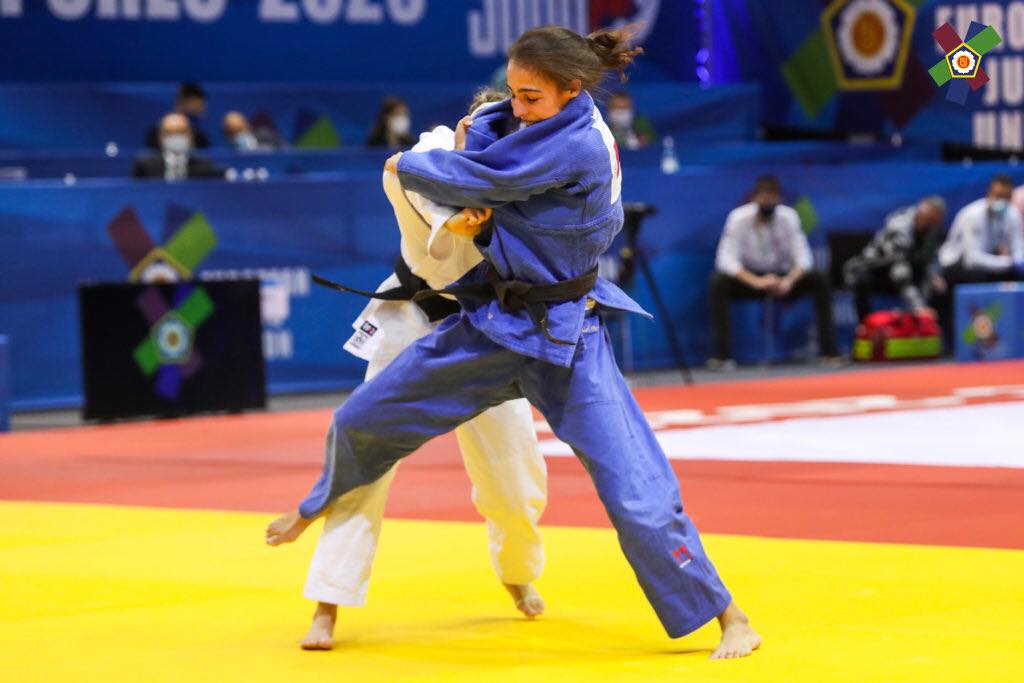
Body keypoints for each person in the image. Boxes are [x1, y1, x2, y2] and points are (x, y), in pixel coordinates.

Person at [267, 25, 760, 660]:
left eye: (531, 98)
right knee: (362, 417)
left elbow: (478, 177)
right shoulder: (493, 131)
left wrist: (425, 172)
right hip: (477, 324)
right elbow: (455, 165)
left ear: (571, 92)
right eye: (510, 96)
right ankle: (318, 514)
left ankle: (729, 615)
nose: (514, 109)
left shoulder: (576, 144)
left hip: (564, 337)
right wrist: (439, 166)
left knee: (630, 490)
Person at [297, 89, 548, 651]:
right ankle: (327, 602)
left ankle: (517, 571)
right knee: (366, 454)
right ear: (466, 125)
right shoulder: (430, 150)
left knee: (516, 476)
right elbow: (402, 179)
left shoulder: (528, 171)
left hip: (487, 332)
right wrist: (459, 221)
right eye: (486, 133)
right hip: (413, 322)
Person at [709, 175, 839, 369]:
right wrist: (755, 281)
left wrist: (789, 280)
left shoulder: (788, 217)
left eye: (772, 198)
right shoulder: (738, 218)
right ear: (755, 198)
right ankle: (722, 357)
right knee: (718, 282)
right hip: (751, 279)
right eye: (763, 197)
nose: (767, 202)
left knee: (820, 279)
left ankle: (829, 353)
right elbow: (725, 259)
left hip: (783, 279)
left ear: (778, 199)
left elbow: (804, 258)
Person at [933, 174, 1024, 341]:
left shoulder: (1012, 214)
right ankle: (968, 339)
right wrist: (1009, 263)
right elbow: (973, 259)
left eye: (1006, 197)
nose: (1001, 201)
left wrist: (1018, 262)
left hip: (992, 262)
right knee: (978, 276)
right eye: (998, 196)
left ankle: (1015, 336)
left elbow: (1018, 249)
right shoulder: (972, 215)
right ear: (989, 193)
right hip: (955, 265)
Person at [843, 196, 946, 321]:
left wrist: (935, 276)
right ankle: (865, 325)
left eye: (938, 221)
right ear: (925, 215)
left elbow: (932, 258)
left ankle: (917, 326)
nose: (937, 224)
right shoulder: (900, 227)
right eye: (934, 220)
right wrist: (918, 307)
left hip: (901, 270)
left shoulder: (930, 230)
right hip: (875, 268)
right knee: (862, 279)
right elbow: (900, 272)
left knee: (932, 282)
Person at [132, 113, 222, 181]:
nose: (176, 136)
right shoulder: (144, 164)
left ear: (191, 136)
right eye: (169, 132)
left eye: (181, 132)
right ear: (160, 137)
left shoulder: (204, 164)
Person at [146, 81, 211, 150]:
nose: (198, 114)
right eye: (193, 110)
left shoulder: (200, 137)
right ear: (179, 105)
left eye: (200, 108)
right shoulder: (155, 133)